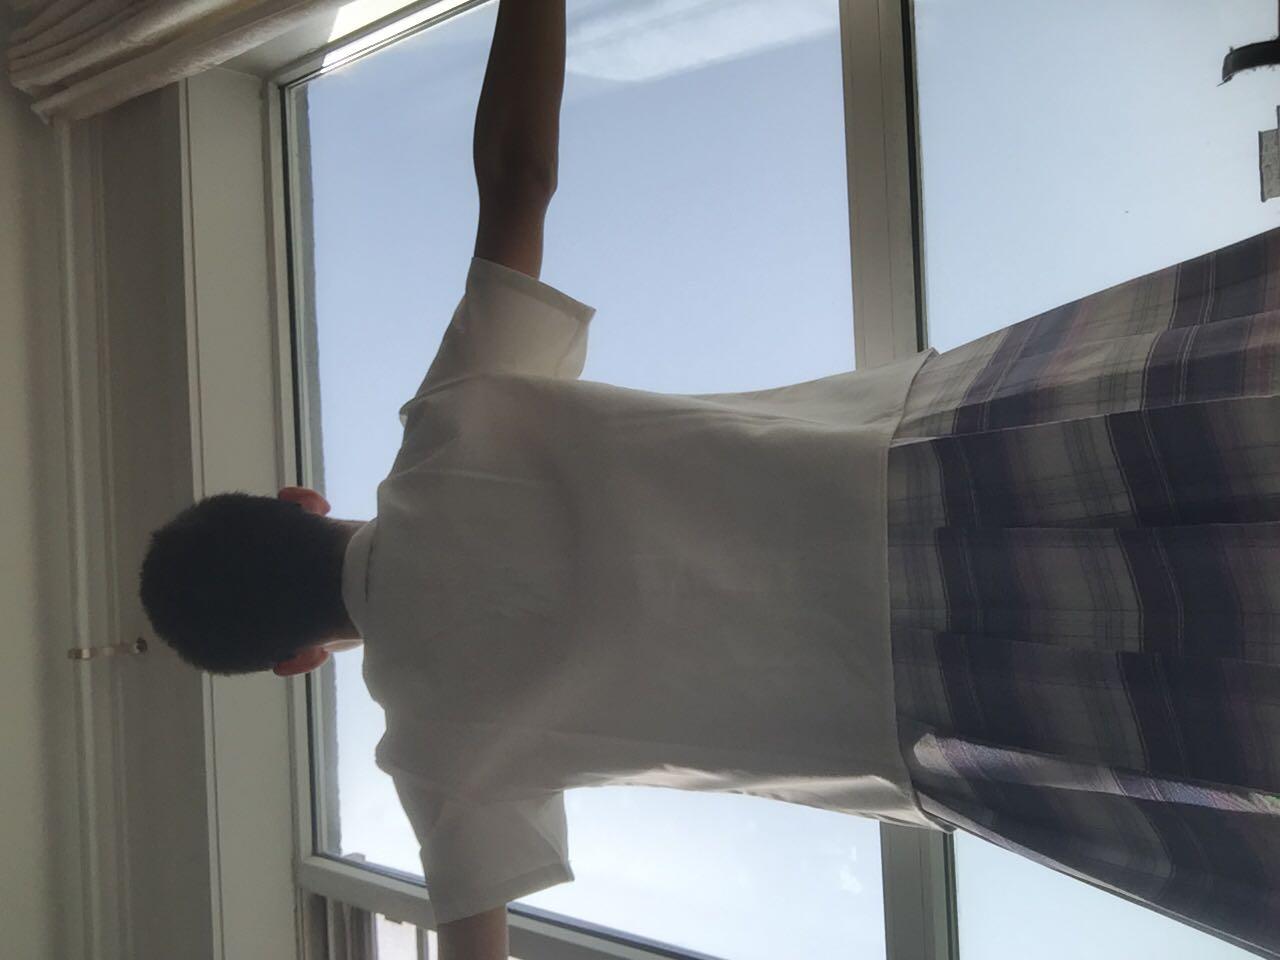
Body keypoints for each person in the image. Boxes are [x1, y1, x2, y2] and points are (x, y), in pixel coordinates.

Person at [139, 1, 1280, 958]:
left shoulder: (432, 752)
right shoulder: (446, 429)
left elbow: (473, 946)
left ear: (295, 660)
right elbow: (519, 180)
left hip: (953, 711)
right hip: (939, 461)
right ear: (295, 500)